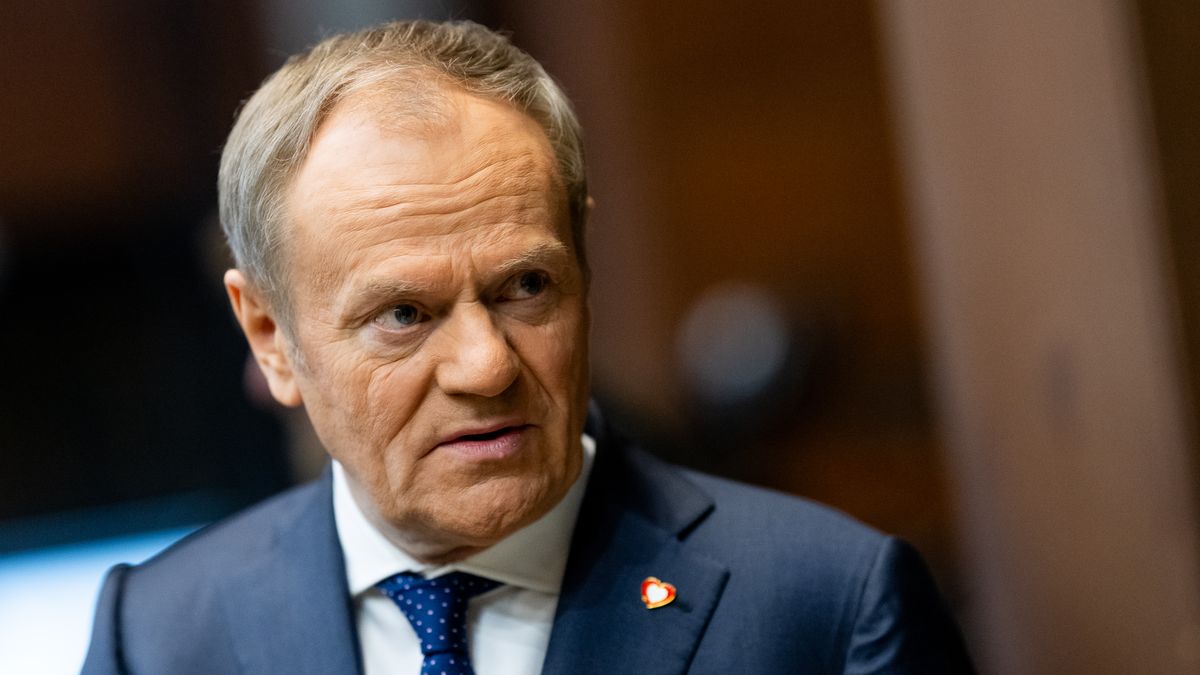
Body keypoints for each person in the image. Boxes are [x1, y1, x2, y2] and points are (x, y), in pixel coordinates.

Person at [82, 20, 973, 674]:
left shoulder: (826, 605)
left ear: (583, 262)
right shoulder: (158, 634)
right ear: (270, 337)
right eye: (403, 314)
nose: (487, 365)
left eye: (526, 287)